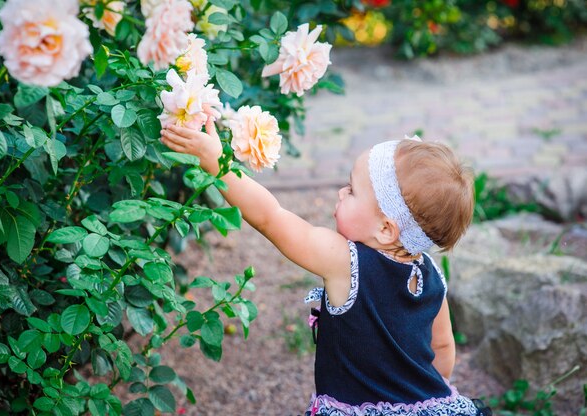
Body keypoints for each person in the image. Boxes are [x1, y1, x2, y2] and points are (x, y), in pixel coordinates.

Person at [160, 119, 492, 416]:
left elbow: (270, 217)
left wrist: (218, 164)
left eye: (352, 191)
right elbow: (443, 347)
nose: (340, 192)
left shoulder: (345, 262)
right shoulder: (432, 276)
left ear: (386, 230)